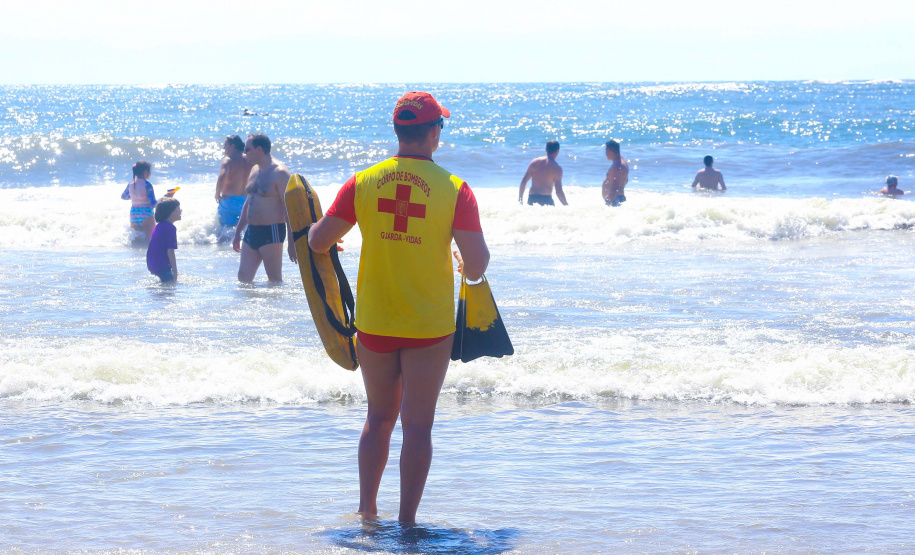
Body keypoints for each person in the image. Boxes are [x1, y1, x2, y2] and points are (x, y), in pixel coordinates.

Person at [308, 91, 489, 524]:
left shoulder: (363, 181)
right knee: (418, 427)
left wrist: (329, 230)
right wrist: (462, 260)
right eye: (440, 126)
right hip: (428, 325)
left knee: (378, 418)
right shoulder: (456, 190)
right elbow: (477, 264)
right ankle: (406, 521)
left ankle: (367, 512)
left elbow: (317, 241)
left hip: (375, 319)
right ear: (432, 133)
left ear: (398, 131)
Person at [232, 133, 296, 283]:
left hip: (271, 231)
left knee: (274, 280)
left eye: (247, 149)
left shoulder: (280, 173)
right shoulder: (255, 169)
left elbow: (289, 210)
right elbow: (249, 201)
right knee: (243, 279)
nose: (244, 153)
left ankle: (275, 306)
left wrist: (293, 244)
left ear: (259, 149)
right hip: (251, 231)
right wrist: (238, 231)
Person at [215, 135, 253, 226]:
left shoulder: (228, 160)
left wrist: (217, 194)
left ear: (232, 145)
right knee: (243, 231)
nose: (224, 148)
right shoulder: (250, 159)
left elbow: (221, 177)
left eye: (226, 145)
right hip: (246, 201)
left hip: (229, 201)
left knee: (225, 232)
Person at [519, 140, 568, 206]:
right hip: (546, 199)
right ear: (558, 151)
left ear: (546, 149)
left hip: (532, 198)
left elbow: (523, 182)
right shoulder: (557, 168)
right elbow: (558, 191)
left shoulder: (534, 162)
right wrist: (566, 206)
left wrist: (520, 200)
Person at [147, 198, 182, 283]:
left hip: (153, 264)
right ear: (172, 213)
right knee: (170, 287)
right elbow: (170, 251)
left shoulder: (159, 226)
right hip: (162, 265)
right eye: (179, 208)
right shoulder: (170, 228)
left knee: (164, 284)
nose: (181, 210)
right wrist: (175, 273)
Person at [121, 161, 158, 237]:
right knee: (151, 240)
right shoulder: (147, 184)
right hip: (146, 213)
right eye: (149, 171)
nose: (150, 173)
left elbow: (124, 196)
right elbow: (153, 203)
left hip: (134, 214)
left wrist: (136, 195)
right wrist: (165, 198)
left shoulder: (131, 184)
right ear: (145, 172)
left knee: (138, 242)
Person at [602, 140, 629, 207]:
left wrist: (609, 204)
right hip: (616, 199)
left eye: (606, 151)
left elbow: (615, 187)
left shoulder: (618, 165)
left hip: (615, 200)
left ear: (610, 151)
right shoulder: (620, 163)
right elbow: (625, 181)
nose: (605, 154)